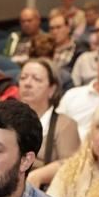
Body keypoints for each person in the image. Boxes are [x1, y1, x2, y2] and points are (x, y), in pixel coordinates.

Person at [17, 58, 80, 189]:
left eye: (36, 79)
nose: (27, 83)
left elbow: (73, 165)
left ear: (52, 89)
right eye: (23, 78)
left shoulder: (65, 124)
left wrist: (39, 175)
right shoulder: (7, 120)